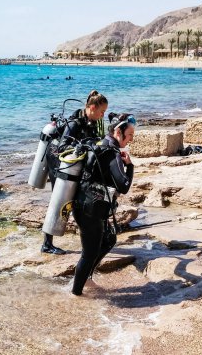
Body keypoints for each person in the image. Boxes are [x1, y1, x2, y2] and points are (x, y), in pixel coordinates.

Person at [71, 112, 136, 296]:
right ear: (118, 132)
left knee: (109, 240)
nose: (130, 139)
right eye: (129, 135)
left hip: (86, 205)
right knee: (89, 254)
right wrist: (130, 166)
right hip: (90, 210)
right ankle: (76, 294)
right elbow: (123, 186)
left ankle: (87, 277)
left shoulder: (101, 143)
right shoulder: (112, 153)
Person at [41, 90, 108, 255]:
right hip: (58, 164)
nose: (102, 115)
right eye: (101, 112)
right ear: (92, 108)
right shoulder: (75, 123)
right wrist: (80, 146)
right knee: (60, 199)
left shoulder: (91, 121)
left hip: (72, 164)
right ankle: (47, 244)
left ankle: (98, 235)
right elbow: (63, 147)